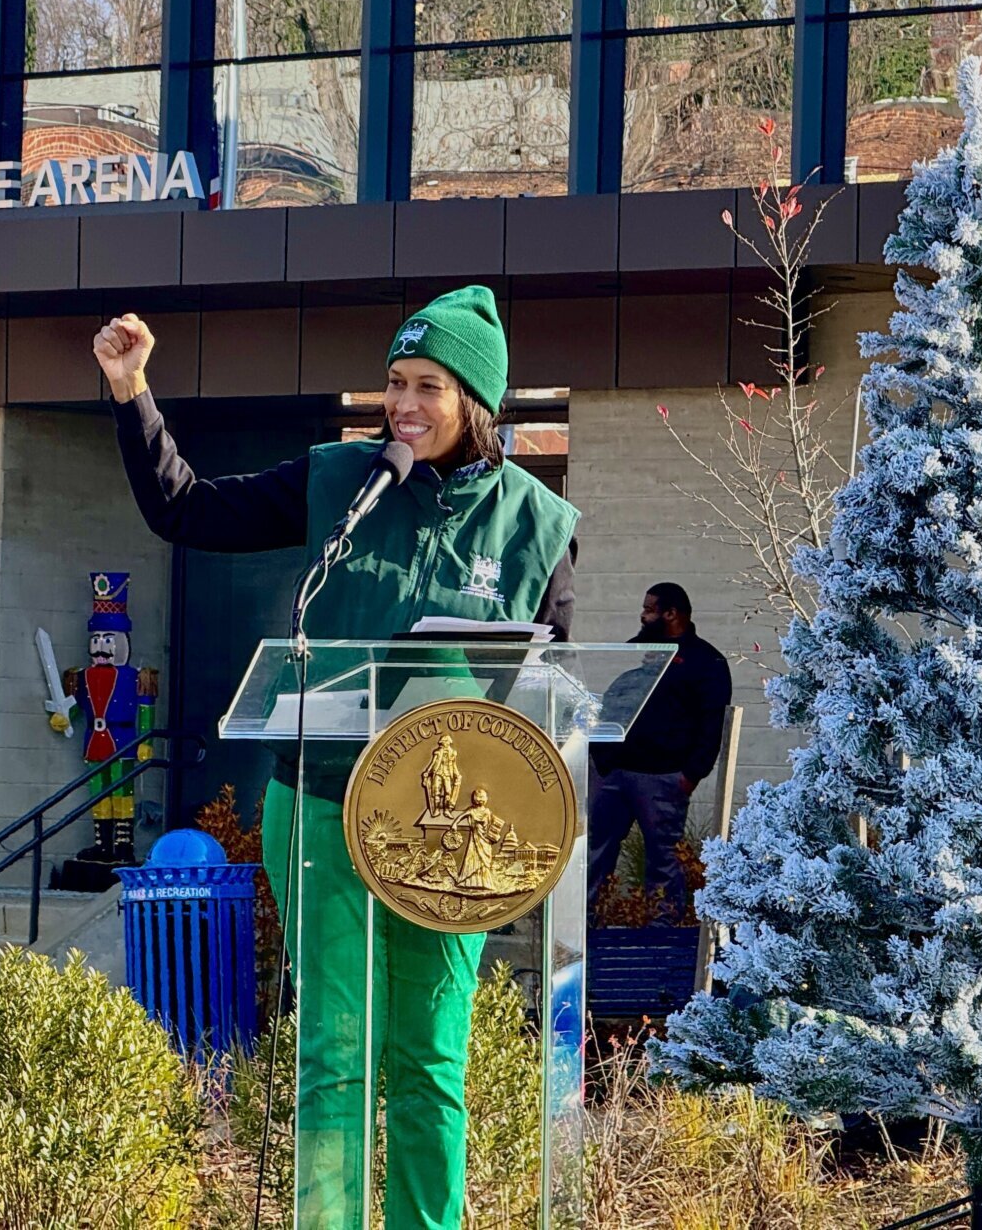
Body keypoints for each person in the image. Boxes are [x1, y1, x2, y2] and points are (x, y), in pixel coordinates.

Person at [95, 287, 578, 1230]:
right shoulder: (341, 481)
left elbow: (544, 686)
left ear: (475, 401)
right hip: (321, 799)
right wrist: (131, 390)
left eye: (426, 386)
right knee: (335, 1046)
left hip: (452, 832)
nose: (402, 403)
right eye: (394, 383)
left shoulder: (538, 526)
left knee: (431, 1054)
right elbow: (187, 510)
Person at [587, 582, 732, 921]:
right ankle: (586, 929)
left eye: (650, 609)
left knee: (664, 860)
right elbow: (614, 700)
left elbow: (712, 724)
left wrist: (691, 775)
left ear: (672, 613)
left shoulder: (704, 660)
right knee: (594, 854)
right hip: (613, 772)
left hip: (664, 777)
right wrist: (599, 757)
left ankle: (662, 936)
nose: (643, 614)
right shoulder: (634, 650)